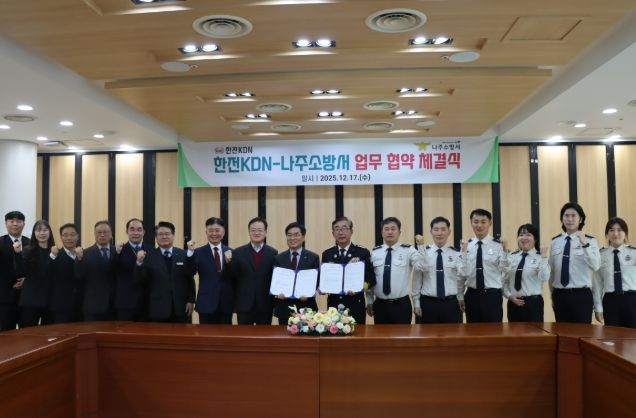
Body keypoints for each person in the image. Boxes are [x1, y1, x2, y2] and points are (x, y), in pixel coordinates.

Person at [366, 217, 428, 324]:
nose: (390, 232)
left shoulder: (408, 250)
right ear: (382, 232)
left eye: (393, 229)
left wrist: (421, 246)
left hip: (401, 305)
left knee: (403, 335)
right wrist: (370, 301)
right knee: (380, 334)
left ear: (399, 232)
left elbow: (423, 267)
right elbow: (370, 279)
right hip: (380, 305)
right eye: (386, 229)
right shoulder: (375, 252)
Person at [549, 202, 601, 323]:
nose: (570, 219)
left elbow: (596, 266)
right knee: (561, 332)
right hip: (560, 295)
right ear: (562, 219)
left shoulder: (590, 241)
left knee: (582, 332)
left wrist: (584, 244)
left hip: (581, 295)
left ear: (580, 219)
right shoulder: (555, 242)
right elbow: (552, 272)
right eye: (566, 216)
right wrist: (552, 295)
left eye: (573, 215)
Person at [136, 221, 195, 323]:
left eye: (167, 234)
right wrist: (139, 263)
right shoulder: (148, 256)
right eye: (160, 234)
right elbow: (141, 280)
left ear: (173, 236)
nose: (164, 237)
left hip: (181, 307)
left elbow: (189, 279)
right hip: (158, 308)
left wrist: (190, 300)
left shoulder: (183, 254)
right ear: (156, 237)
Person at [321, 216, 375, 324]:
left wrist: (360, 288)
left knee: (357, 334)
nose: (341, 232)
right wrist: (322, 287)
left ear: (351, 231)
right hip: (334, 305)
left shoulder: (362, 252)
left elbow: (371, 279)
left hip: (355, 304)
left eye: (344, 228)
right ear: (333, 233)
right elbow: (323, 278)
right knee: (334, 333)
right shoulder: (327, 254)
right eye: (337, 229)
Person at [412, 216, 464, 324]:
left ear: (449, 232)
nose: (439, 233)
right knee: (426, 334)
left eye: (443, 229)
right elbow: (417, 279)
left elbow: (460, 279)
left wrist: (460, 297)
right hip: (428, 304)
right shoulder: (423, 252)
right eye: (436, 229)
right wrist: (416, 303)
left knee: (452, 334)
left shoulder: (456, 254)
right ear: (431, 232)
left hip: (450, 303)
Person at [458, 208, 507, 323]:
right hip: (472, 295)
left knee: (494, 330)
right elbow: (461, 274)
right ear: (471, 223)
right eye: (476, 222)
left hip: (492, 296)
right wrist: (460, 295)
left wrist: (505, 251)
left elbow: (505, 269)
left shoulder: (498, 245)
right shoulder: (466, 245)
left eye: (483, 222)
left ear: (490, 224)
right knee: (472, 331)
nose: (479, 225)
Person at [229, 217, 277, 325]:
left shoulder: (273, 253)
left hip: (265, 304)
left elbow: (274, 279)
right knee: (244, 334)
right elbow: (232, 276)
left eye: (260, 230)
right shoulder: (238, 252)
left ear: (265, 232)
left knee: (264, 334)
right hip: (244, 304)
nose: (256, 233)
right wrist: (228, 263)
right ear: (249, 232)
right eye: (253, 230)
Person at [188, 217, 234, 324]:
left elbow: (235, 276)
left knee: (226, 334)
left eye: (217, 230)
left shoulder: (232, 252)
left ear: (223, 232)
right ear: (206, 232)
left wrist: (229, 264)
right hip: (206, 303)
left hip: (226, 303)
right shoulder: (198, 252)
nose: (214, 233)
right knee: (205, 334)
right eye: (211, 230)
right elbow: (190, 272)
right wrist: (190, 253)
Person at [273, 222, 319, 326]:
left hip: (306, 307)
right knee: (284, 335)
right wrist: (277, 293)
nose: (292, 238)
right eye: (289, 235)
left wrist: (308, 293)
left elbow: (316, 281)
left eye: (296, 235)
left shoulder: (313, 257)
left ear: (303, 237)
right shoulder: (278, 258)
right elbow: (276, 281)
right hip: (285, 307)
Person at [593, 217, 636, 328]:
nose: (615, 233)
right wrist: (598, 308)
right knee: (612, 335)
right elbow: (597, 284)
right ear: (607, 234)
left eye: (619, 230)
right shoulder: (600, 255)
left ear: (625, 233)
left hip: (631, 300)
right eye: (611, 230)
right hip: (610, 301)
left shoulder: (634, 252)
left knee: (633, 335)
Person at [502, 224, 550, 322]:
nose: (524, 238)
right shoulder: (512, 256)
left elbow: (544, 277)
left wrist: (544, 257)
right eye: (521, 235)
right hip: (513, 303)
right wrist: (509, 296)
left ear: (535, 239)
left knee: (534, 331)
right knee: (513, 331)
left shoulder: (540, 257)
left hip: (533, 304)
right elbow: (504, 281)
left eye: (528, 235)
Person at [15, 220, 55, 327]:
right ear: (34, 233)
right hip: (30, 300)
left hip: (49, 300)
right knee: (28, 333)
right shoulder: (27, 250)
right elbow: (20, 271)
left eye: (45, 230)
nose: (42, 233)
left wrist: (53, 256)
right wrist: (17, 254)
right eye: (38, 230)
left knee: (49, 333)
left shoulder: (55, 251)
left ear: (50, 232)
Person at [75, 220, 117, 321]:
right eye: (99, 232)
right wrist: (79, 259)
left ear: (111, 234)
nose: (102, 235)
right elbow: (79, 275)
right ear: (94, 234)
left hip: (114, 305)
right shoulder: (85, 253)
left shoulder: (117, 251)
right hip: (93, 306)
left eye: (105, 232)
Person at [114, 218, 149, 321]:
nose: (136, 233)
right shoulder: (119, 250)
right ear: (127, 231)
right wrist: (116, 253)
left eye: (139, 229)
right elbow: (110, 269)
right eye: (132, 229)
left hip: (146, 303)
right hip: (125, 303)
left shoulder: (151, 250)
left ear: (143, 232)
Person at [0, 211, 29, 331]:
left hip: (26, 297)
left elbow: (34, 268)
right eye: (11, 221)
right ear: (6, 224)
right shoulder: (0, 242)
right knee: (5, 332)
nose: (15, 224)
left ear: (24, 224)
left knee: (27, 331)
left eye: (18, 221)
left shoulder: (30, 243)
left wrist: (26, 280)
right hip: (4, 297)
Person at [49, 223, 82, 324]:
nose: (69, 238)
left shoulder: (84, 254)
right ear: (61, 237)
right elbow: (47, 273)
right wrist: (52, 256)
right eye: (65, 235)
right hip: (61, 306)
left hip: (81, 305)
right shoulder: (55, 255)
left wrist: (80, 259)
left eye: (72, 234)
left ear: (78, 236)